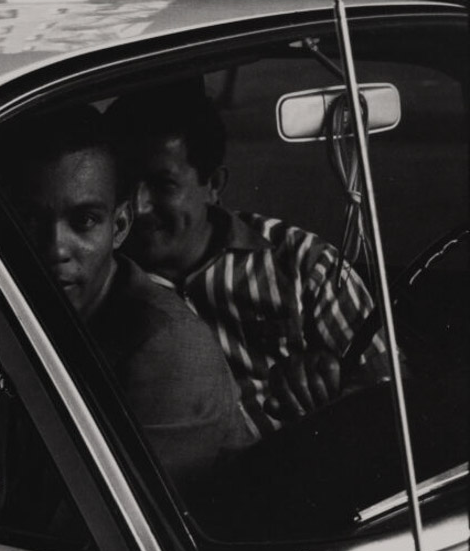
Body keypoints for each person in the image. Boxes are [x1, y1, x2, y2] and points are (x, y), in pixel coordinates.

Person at [105, 86, 390, 438]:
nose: (139, 205)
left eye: (163, 184)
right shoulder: (100, 286)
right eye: (125, 183)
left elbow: (390, 389)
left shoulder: (303, 263)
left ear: (213, 184)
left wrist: (332, 386)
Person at [0, 105, 253, 489]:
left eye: (83, 222)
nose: (54, 248)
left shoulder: (170, 351)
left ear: (119, 227)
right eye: (29, 220)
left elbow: (88, 535)